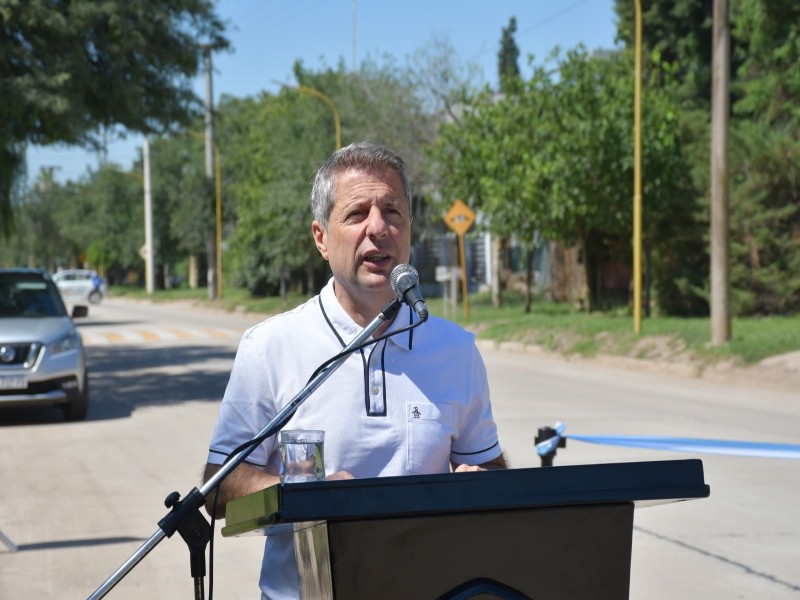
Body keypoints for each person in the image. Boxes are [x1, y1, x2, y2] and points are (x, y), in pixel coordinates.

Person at [203, 141, 506, 599]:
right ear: (321, 237)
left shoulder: (454, 349)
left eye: (392, 212)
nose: (378, 228)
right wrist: (304, 492)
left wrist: (481, 481)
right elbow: (219, 486)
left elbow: (488, 467)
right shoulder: (271, 347)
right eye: (357, 213)